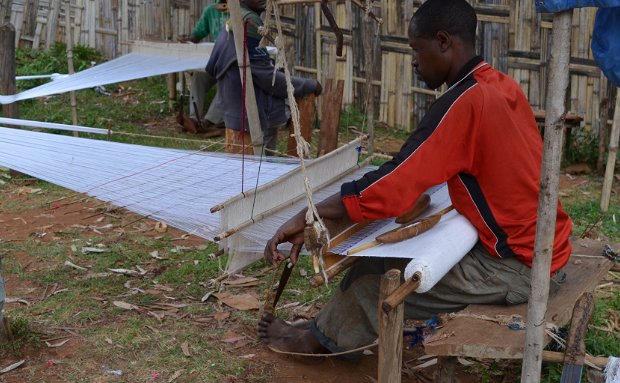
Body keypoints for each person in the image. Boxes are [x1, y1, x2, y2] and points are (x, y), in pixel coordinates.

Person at [259, 0, 572, 358]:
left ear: (443, 42)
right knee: (382, 258)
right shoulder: (501, 85)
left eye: (415, 49)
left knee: (372, 281)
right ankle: (326, 329)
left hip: (519, 267)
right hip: (545, 245)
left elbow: (396, 182)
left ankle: (316, 344)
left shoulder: (465, 103)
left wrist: (309, 214)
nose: (412, 61)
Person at [205, 0, 321, 155]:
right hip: (250, 115)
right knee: (258, 169)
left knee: (246, 170)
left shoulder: (236, 17)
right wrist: (308, 85)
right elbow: (267, 78)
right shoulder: (249, 21)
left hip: (237, 109)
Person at [183, 0, 229, 133]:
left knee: (228, 80)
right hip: (215, 61)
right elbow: (197, 34)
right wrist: (187, 42)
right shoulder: (211, 10)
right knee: (199, 76)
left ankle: (210, 121)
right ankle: (194, 119)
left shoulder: (242, 11)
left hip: (234, 63)